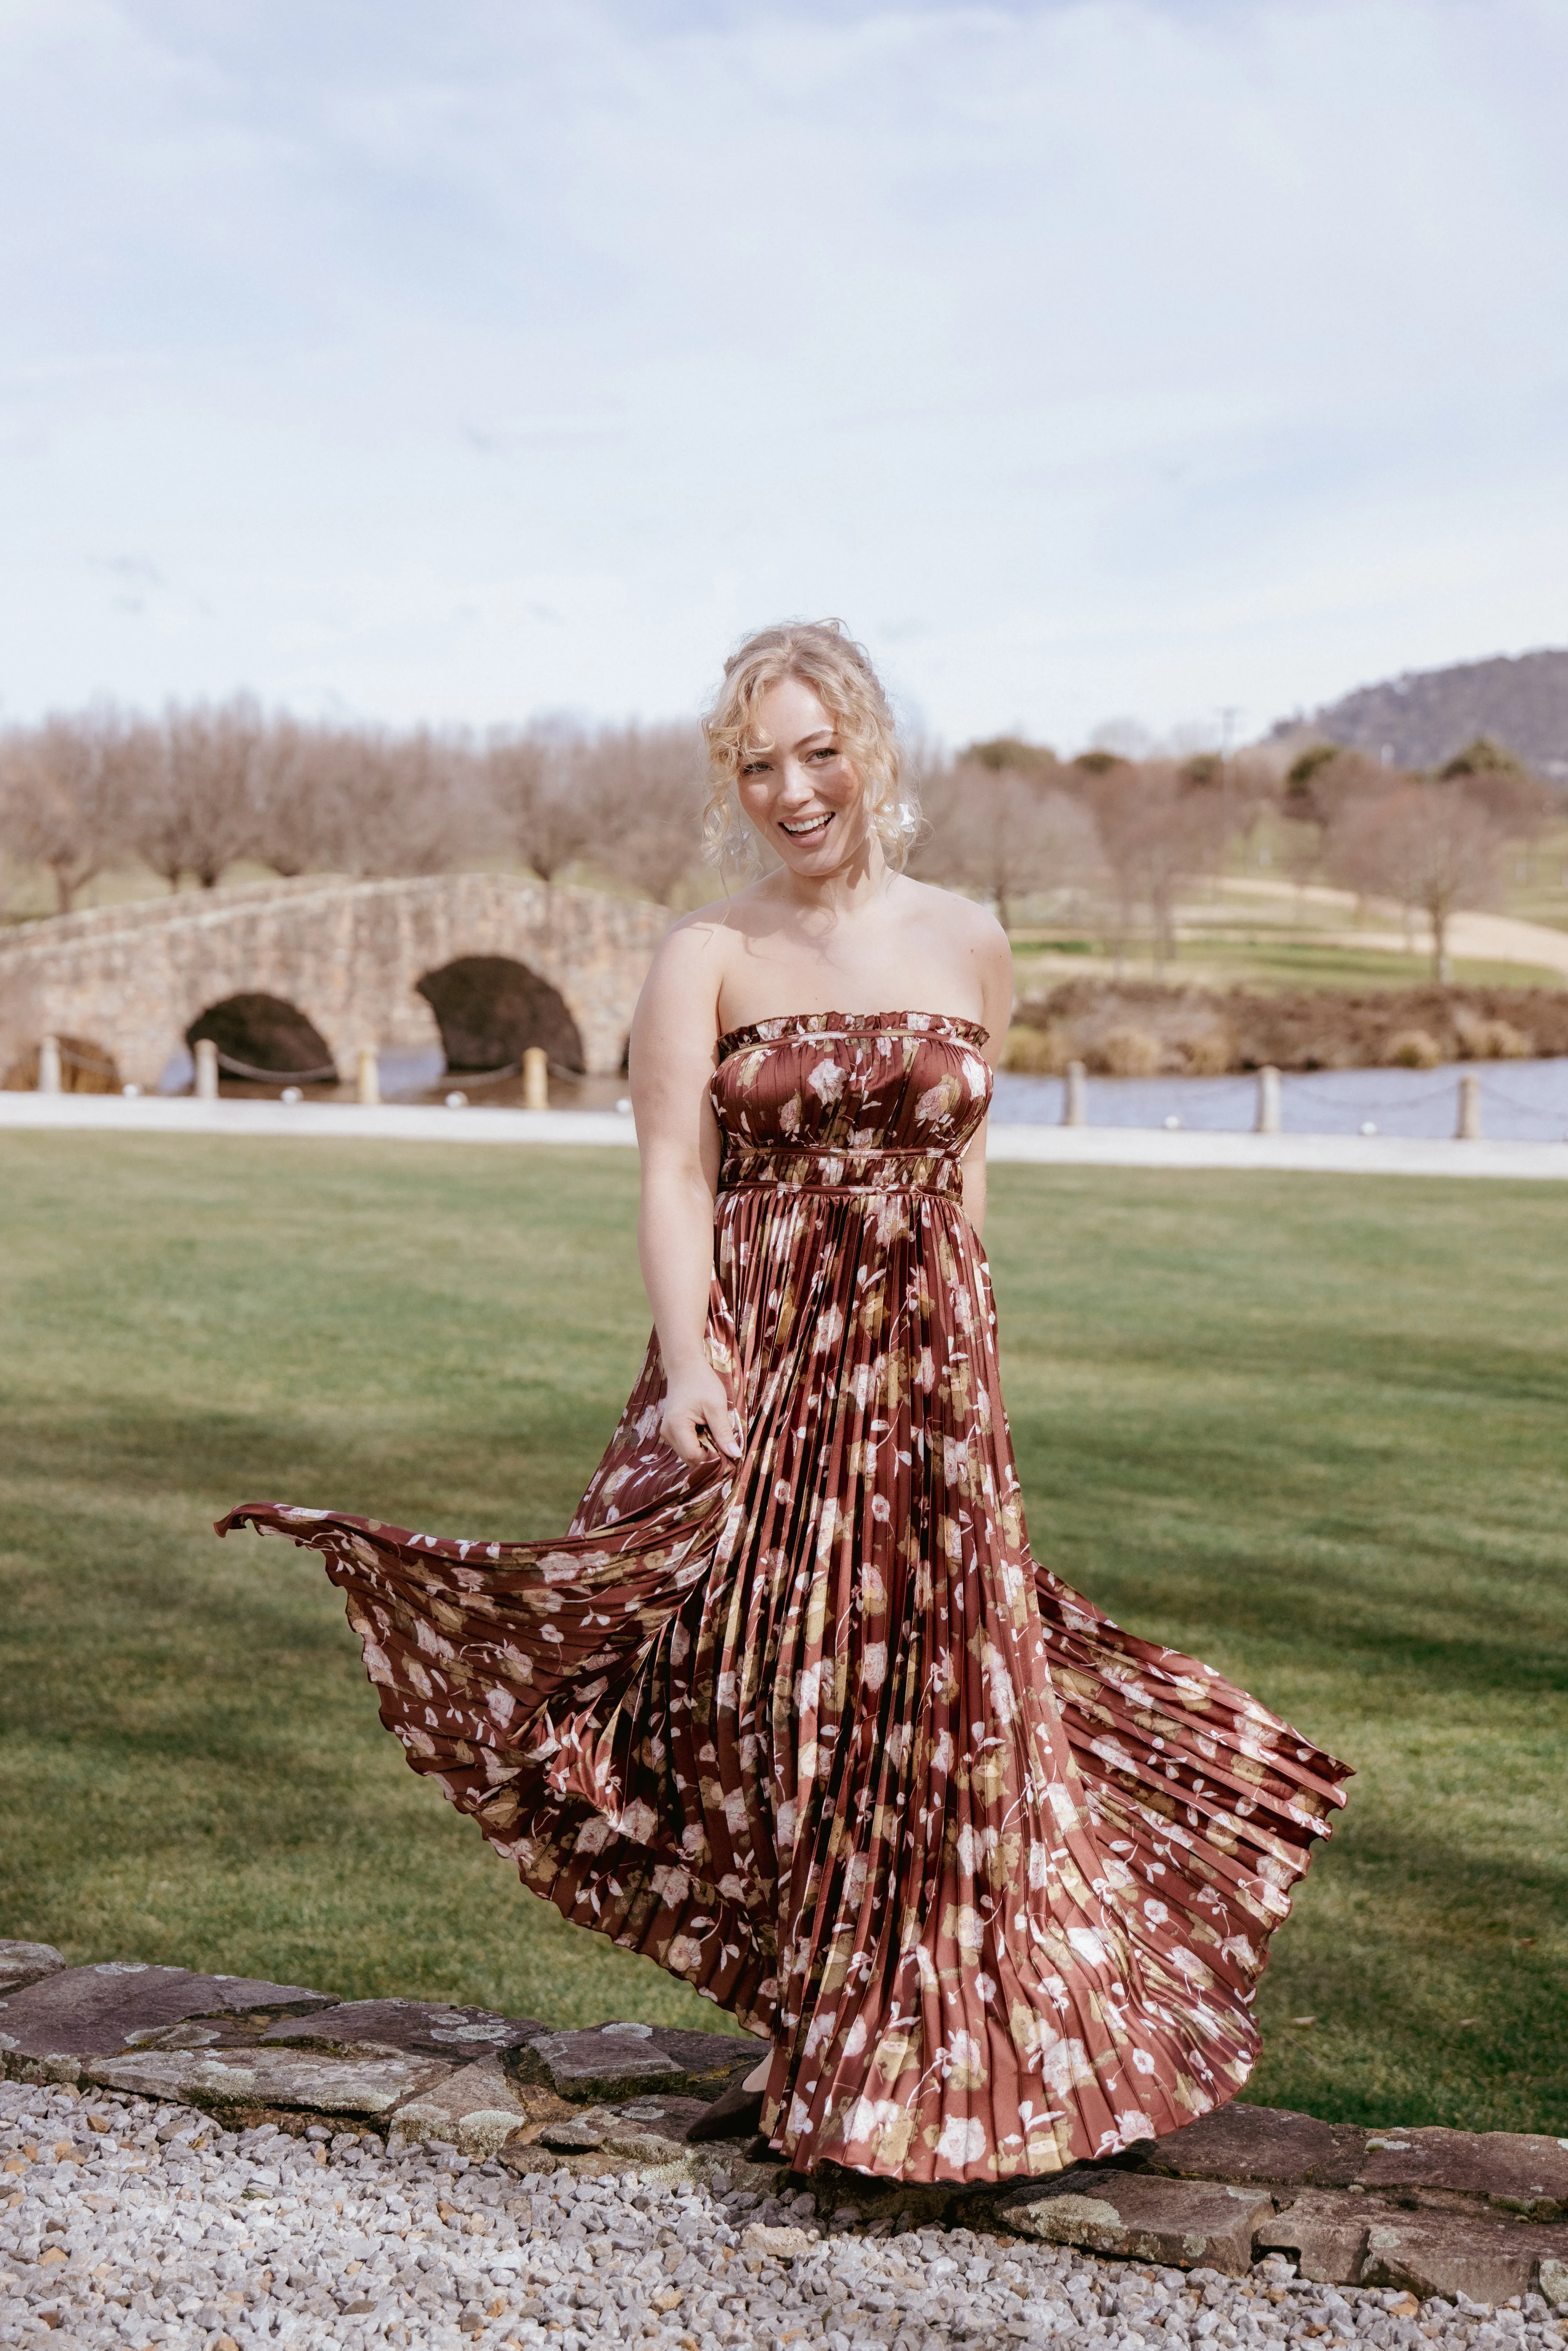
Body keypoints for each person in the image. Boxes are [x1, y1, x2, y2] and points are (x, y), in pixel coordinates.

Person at [219, 620, 1348, 2186]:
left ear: (872, 749)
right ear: (729, 780)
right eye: (759, 763)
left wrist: (967, 1365)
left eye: (818, 751)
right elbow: (675, 1172)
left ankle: (924, 2038)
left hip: (926, 1365)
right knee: (771, 1685)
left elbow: (961, 1173)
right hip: (763, 1347)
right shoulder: (710, 953)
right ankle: (813, 2011)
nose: (793, 788)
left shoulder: (970, 938)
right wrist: (691, 1359)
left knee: (936, 1699)